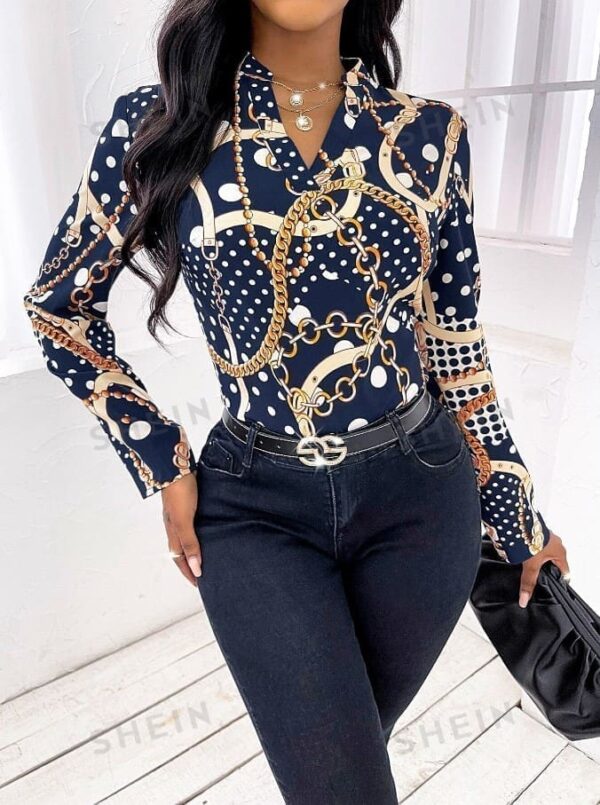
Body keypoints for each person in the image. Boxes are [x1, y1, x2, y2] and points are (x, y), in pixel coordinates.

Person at [22, 0, 570, 801]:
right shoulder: (160, 126)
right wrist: (162, 460)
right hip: (253, 509)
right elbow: (58, 308)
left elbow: (456, 351)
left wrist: (518, 517)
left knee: (340, 772)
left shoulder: (429, 136)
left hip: (424, 501)